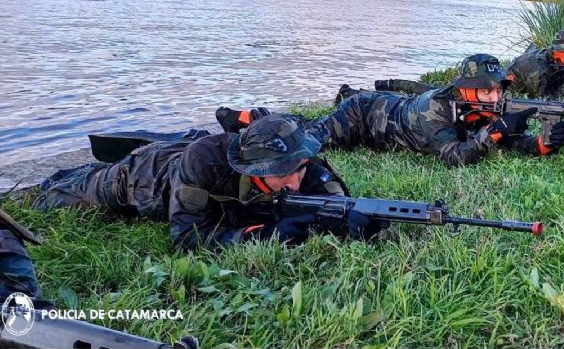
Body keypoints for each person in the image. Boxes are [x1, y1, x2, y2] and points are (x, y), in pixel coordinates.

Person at [34, 115, 385, 250]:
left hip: (195, 158)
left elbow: (340, 203)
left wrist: (352, 221)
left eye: (301, 167)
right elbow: (186, 237)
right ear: (255, 170)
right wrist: (264, 235)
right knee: (65, 193)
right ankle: (58, 179)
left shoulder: (302, 164)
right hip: (148, 180)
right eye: (282, 173)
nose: (296, 180)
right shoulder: (203, 164)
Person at [224, 54, 564, 167]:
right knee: (309, 138)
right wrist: (495, 131)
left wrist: (543, 144)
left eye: (497, 90)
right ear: (464, 88)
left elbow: (506, 137)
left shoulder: (480, 104)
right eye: (485, 90)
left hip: (389, 112)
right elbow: (453, 157)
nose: (494, 98)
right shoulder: (437, 108)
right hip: (364, 117)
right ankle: (248, 119)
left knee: (311, 127)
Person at [372, 30, 564, 100]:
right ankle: (389, 85)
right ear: (562, 53)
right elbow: (549, 98)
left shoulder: (563, 65)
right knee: (434, 91)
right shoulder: (536, 66)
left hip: (500, 85)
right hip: (493, 85)